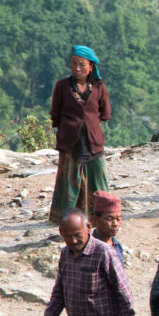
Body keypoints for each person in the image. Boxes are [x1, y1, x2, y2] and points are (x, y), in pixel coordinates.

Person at [33, 209, 134, 316]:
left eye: (77, 235)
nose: (73, 241)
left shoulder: (103, 252)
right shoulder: (66, 254)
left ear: (88, 227)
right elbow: (59, 293)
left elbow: (124, 292)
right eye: (68, 236)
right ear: (61, 233)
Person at [49, 46, 111, 223]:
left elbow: (105, 113)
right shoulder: (62, 86)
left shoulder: (99, 87)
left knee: (97, 180)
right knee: (68, 181)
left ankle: (101, 215)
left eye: (82, 65)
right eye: (74, 64)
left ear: (91, 66)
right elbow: (55, 113)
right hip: (70, 142)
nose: (77, 68)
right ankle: (66, 218)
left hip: (93, 141)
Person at [90, 191, 123, 264]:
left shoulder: (117, 246)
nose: (115, 224)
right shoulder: (90, 249)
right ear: (95, 219)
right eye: (109, 218)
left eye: (118, 219)